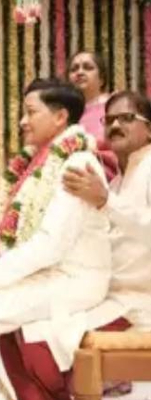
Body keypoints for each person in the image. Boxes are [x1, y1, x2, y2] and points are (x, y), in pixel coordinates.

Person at [0, 78, 112, 400]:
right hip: (47, 273)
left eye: (31, 112)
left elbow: (51, 245)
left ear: (60, 117)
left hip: (74, 279)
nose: (22, 121)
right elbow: (12, 240)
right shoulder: (36, 163)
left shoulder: (76, 163)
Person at [63, 90, 151, 395]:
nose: (115, 125)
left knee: (47, 342)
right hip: (108, 299)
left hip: (138, 305)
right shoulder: (114, 182)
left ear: (149, 128)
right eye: (109, 120)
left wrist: (105, 202)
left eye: (126, 118)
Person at [68, 51, 119, 180]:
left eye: (88, 67)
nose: (80, 72)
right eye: (74, 69)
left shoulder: (115, 105)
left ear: (101, 79)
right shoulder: (64, 114)